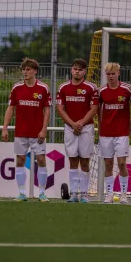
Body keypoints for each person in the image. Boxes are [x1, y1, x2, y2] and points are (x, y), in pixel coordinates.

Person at [2, 58, 51, 202]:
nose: (25, 72)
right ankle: (22, 193)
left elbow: (47, 110)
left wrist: (43, 129)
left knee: (41, 160)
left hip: (37, 132)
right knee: (20, 160)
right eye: (23, 70)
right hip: (21, 132)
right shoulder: (16, 88)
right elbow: (10, 108)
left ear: (35, 71)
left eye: (28, 69)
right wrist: (5, 128)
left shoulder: (43, 88)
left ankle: (42, 193)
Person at [56, 58, 98, 203]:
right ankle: (74, 194)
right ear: (71, 70)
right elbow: (60, 109)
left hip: (86, 128)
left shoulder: (91, 88)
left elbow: (94, 109)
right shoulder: (63, 88)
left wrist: (80, 123)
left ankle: (84, 195)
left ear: (85, 71)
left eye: (80, 69)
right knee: (73, 160)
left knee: (85, 161)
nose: (77, 71)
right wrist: (73, 124)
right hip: (70, 127)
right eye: (75, 68)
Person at [96, 62, 131, 204]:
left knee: (122, 164)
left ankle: (124, 194)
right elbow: (97, 108)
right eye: (108, 74)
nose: (110, 76)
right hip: (106, 133)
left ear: (118, 73)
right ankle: (109, 194)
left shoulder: (127, 89)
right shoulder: (102, 91)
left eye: (113, 74)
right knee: (108, 164)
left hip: (122, 132)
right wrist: (100, 125)